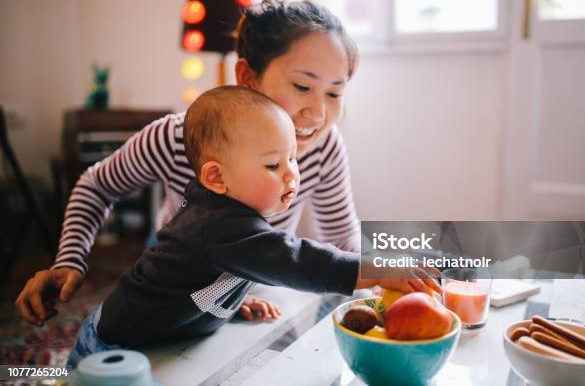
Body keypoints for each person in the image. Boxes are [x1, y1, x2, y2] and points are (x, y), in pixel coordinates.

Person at [17, 0, 361, 325]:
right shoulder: (175, 137)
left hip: (254, 282)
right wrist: (69, 260)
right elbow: (96, 186)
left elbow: (343, 238)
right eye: (302, 86)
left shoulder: (324, 146)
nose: (318, 113)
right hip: (178, 281)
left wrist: (393, 273)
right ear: (246, 76)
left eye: (335, 93)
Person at [65, 86, 441, 367]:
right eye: (273, 165)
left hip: (163, 336)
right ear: (216, 177)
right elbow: (295, 259)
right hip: (114, 350)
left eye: (291, 158)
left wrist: (228, 300)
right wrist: (374, 270)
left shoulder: (228, 216)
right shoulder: (217, 225)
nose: (291, 174)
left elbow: (200, 272)